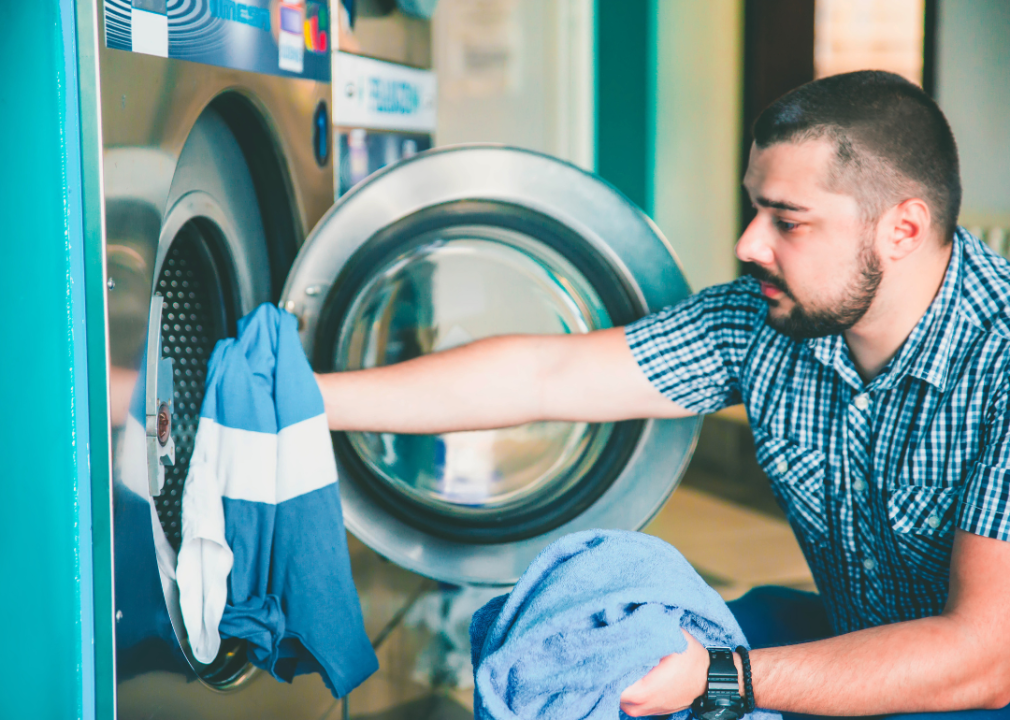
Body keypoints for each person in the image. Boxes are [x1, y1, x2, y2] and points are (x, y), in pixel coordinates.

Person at [315, 70, 1010, 719]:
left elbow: (984, 657)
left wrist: (721, 676)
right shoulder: (760, 322)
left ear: (903, 230)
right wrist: (307, 403)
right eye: (753, 209)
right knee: (615, 645)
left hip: (980, 687)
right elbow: (543, 375)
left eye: (787, 221)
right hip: (861, 636)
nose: (747, 244)